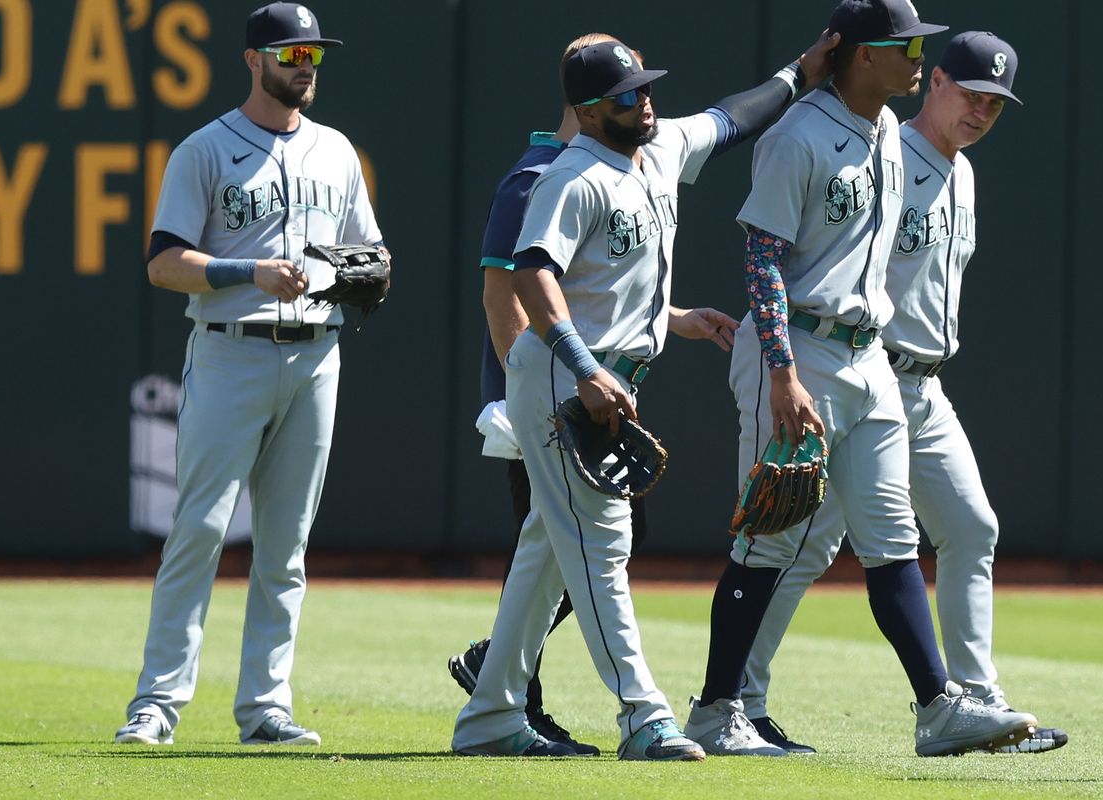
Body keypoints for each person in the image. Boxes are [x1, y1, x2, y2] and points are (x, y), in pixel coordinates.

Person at [451, 31, 841, 760]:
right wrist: (583, 367)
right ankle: (642, 714)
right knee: (605, 543)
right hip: (564, 374)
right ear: (590, 109)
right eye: (628, 94)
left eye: (647, 87)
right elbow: (534, 275)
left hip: (608, 372)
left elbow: (731, 118)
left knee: (545, 550)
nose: (646, 101)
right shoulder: (571, 176)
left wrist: (800, 72)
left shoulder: (656, 150)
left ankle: (490, 716)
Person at [686, 0, 1041, 758]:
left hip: (867, 354)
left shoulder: (885, 130)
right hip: (800, 351)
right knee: (774, 539)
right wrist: (781, 372)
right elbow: (761, 260)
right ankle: (718, 710)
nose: (916, 56)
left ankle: (940, 707)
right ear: (858, 54)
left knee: (890, 536)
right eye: (904, 45)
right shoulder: (797, 136)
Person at [114, 2, 384, 747]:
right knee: (197, 530)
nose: (304, 66)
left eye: (313, 55)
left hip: (316, 355)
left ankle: (266, 708)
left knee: (286, 545)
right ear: (253, 59)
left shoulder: (336, 152)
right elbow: (165, 263)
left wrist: (365, 274)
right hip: (231, 348)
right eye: (290, 53)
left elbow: (372, 253)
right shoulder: (204, 149)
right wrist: (249, 272)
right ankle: (156, 705)